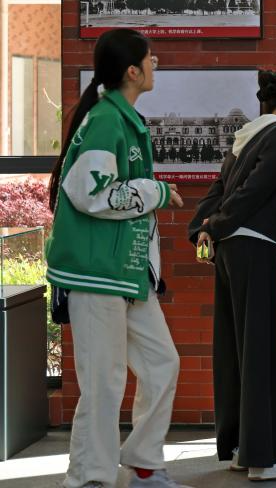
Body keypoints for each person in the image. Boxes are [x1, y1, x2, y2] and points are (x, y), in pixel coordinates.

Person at [45, 29, 190, 488]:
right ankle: (90, 478)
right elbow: (88, 193)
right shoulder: (108, 120)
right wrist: (155, 191)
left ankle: (144, 463)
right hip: (95, 274)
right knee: (104, 383)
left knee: (162, 363)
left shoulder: (121, 118)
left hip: (124, 275)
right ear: (132, 71)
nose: (156, 64)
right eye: (151, 58)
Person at [188, 69, 276, 482]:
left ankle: (243, 449)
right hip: (257, 246)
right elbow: (256, 190)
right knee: (263, 351)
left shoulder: (246, 137)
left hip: (229, 251)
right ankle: (267, 459)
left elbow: (218, 191)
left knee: (236, 350)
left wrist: (205, 228)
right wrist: (219, 223)